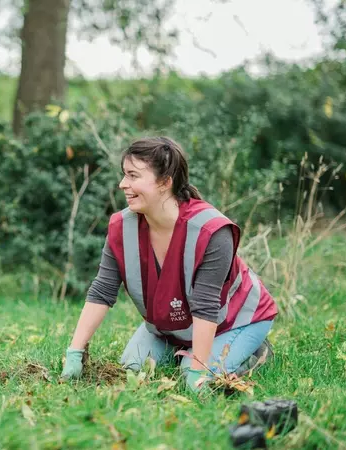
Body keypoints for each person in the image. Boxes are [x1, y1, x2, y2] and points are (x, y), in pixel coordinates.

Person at [60, 136, 277, 392]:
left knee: (191, 375)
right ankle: (188, 348)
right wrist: (75, 352)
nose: (122, 184)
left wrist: (198, 371)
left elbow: (206, 306)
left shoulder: (213, 231)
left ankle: (255, 351)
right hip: (175, 325)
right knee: (133, 367)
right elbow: (102, 291)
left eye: (133, 176)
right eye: (123, 175)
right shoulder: (122, 228)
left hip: (236, 320)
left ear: (165, 182)